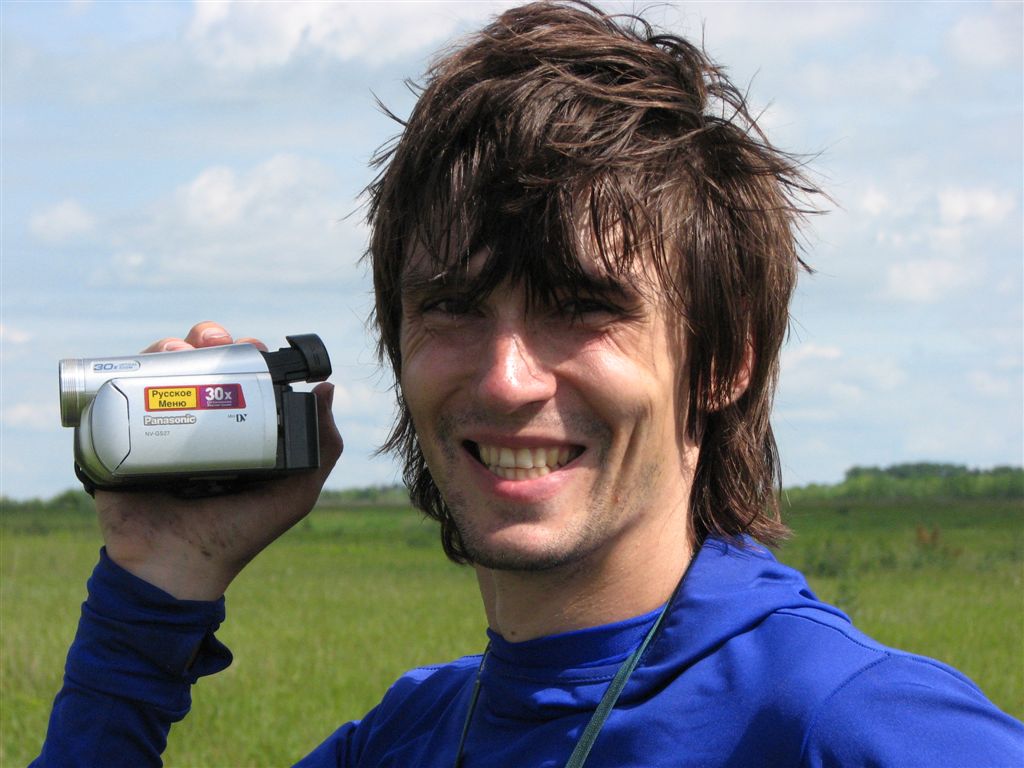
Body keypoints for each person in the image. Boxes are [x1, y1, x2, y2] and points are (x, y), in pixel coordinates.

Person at [33, 2, 1023, 766]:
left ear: (725, 360)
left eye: (582, 307)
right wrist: (155, 586)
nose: (507, 380)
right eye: (453, 307)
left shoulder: (851, 724)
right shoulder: (410, 739)